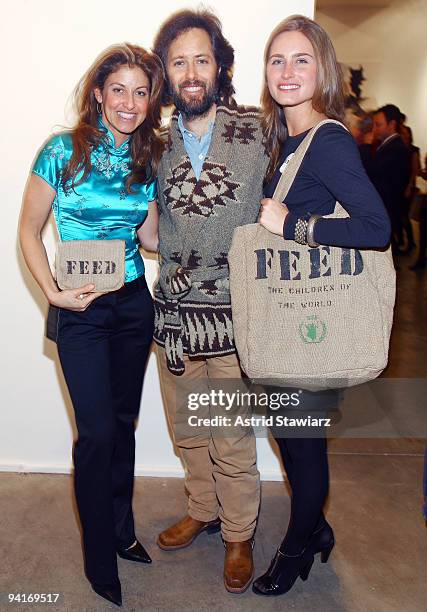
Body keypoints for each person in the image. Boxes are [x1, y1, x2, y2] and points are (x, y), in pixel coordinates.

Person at [19, 44, 164, 607]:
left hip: (131, 304)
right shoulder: (62, 150)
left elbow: (149, 238)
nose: (130, 103)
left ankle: (123, 530)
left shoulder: (147, 157)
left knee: (123, 425)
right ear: (99, 94)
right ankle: (98, 553)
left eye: (141, 91)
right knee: (97, 433)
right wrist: (53, 294)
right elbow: (29, 230)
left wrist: (201, 236)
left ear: (151, 101)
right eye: (119, 90)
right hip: (80, 308)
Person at [251, 15, 391, 596]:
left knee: (302, 445)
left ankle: (295, 548)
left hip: (311, 321)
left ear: (323, 68)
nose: (288, 71)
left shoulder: (328, 140)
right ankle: (321, 529)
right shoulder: (280, 137)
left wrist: (297, 226)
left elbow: (377, 227)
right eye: (277, 60)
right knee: (287, 435)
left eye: (301, 59)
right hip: (283, 316)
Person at [151, 9, 269, 593]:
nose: (191, 71)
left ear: (219, 65)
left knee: (230, 432)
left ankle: (239, 533)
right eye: (179, 62)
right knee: (188, 430)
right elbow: (149, 224)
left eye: (202, 58)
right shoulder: (155, 142)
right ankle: (202, 509)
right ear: (166, 73)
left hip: (233, 317)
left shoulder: (257, 131)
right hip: (173, 317)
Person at [370, 104, 411, 257]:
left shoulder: (396, 148)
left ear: (392, 124)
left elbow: (375, 172)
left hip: (387, 207)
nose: (375, 128)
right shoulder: (388, 146)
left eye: (378, 125)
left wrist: (367, 146)